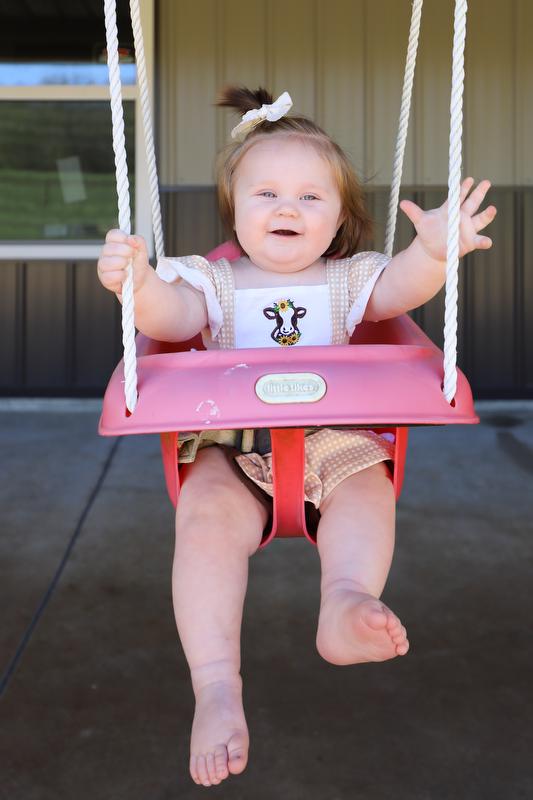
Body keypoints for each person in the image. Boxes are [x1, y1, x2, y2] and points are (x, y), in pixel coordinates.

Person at [97, 86, 496, 787]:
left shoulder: (348, 283)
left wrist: (433, 255)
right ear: (235, 207)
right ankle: (216, 683)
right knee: (205, 517)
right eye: (267, 194)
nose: (288, 208)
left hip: (332, 440)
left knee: (367, 490)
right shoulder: (210, 283)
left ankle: (343, 599)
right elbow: (169, 314)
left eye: (312, 198)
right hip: (229, 445)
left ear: (339, 218)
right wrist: (136, 284)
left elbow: (399, 289)